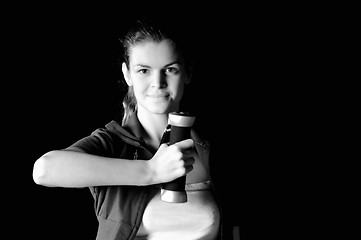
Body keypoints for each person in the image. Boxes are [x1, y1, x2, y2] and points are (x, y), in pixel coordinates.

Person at [32, 18, 226, 240]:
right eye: (144, 70)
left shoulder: (208, 147)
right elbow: (44, 170)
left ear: (188, 72)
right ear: (127, 75)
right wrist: (151, 171)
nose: (158, 82)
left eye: (170, 69)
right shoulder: (112, 144)